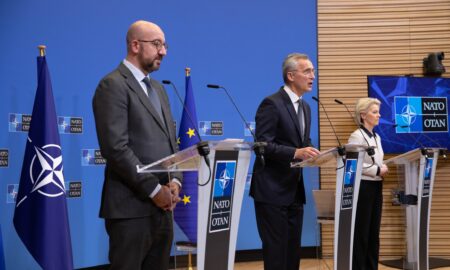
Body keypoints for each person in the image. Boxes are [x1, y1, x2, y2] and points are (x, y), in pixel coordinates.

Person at [92, 20, 182, 270]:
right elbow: (115, 149)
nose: (163, 51)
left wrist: (174, 181)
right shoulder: (113, 85)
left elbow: (169, 144)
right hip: (130, 210)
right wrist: (155, 191)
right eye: (156, 44)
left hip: (163, 210)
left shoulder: (159, 90)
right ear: (135, 45)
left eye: (164, 45)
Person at [250, 53, 321, 270]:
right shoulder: (272, 103)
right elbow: (262, 145)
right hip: (271, 191)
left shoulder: (306, 107)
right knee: (276, 253)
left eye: (313, 71)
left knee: (292, 252)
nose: (313, 76)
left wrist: (313, 155)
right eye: (307, 71)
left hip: (294, 191)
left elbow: (302, 143)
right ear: (291, 75)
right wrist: (296, 153)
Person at [348, 97, 388, 270]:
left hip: (377, 186)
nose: (379, 115)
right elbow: (352, 162)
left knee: (373, 233)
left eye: (378, 111)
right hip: (363, 188)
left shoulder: (377, 136)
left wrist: (381, 168)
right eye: (374, 112)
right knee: (362, 233)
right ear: (363, 115)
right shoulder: (356, 135)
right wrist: (377, 170)